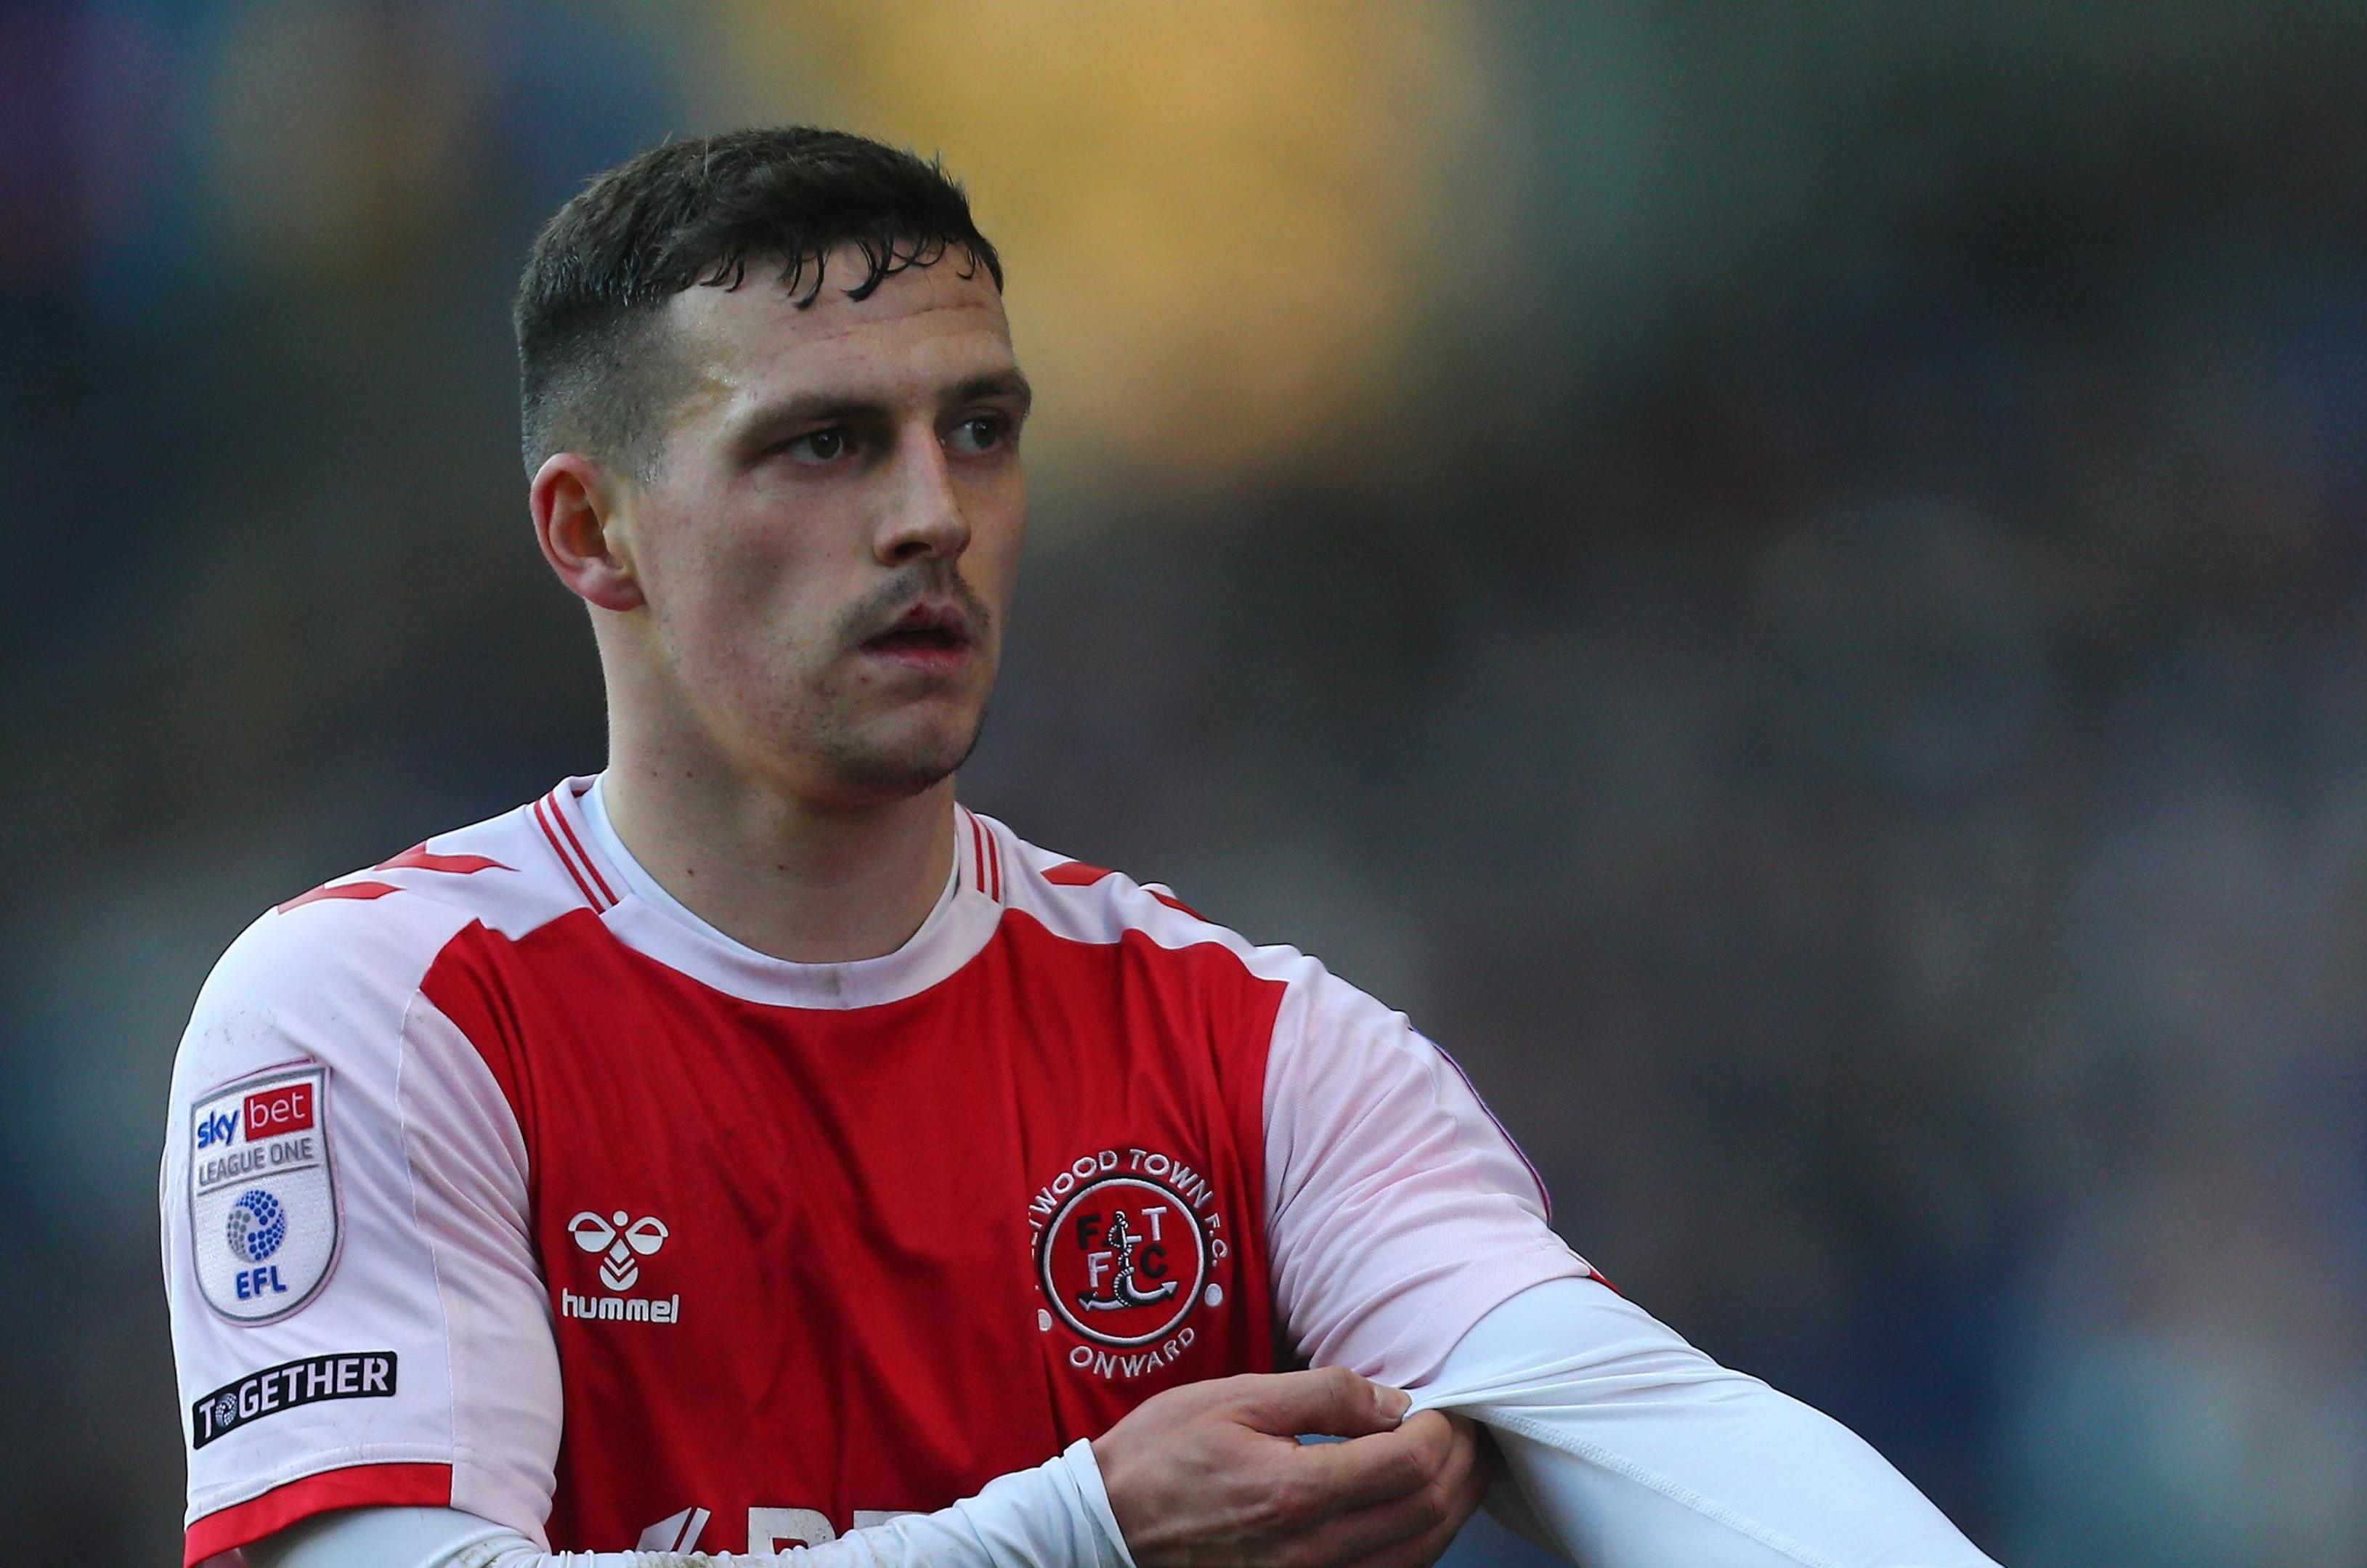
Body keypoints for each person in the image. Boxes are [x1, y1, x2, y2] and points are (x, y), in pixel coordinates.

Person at [161, 127, 1997, 1568]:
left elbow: (1652, 1437)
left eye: (980, 430)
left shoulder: (1252, 1046)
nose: (931, 517)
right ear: (594, 531)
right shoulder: (377, 1013)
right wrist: (1075, 1535)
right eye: (821, 446)